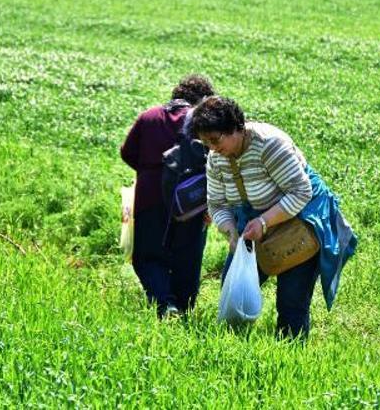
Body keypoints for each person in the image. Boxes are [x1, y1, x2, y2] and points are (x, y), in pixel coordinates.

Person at [190, 96, 357, 339]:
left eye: (216, 140)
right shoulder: (216, 159)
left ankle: (290, 355)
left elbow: (301, 191)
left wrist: (264, 221)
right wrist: (232, 233)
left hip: (297, 221)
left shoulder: (269, 144)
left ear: (237, 127)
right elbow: (217, 203)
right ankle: (230, 349)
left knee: (292, 301)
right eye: (206, 143)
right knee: (232, 289)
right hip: (251, 224)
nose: (212, 149)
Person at [119, 75, 215, 318]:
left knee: (148, 256)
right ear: (204, 100)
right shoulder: (202, 122)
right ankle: (183, 307)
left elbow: (127, 152)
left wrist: (148, 172)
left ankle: (165, 304)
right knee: (188, 255)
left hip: (149, 196)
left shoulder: (149, 116)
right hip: (191, 201)